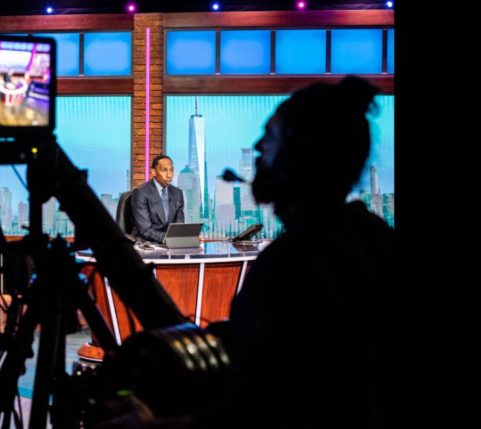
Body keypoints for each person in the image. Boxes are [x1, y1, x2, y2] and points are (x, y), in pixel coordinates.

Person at [102, 76, 395, 428]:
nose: (256, 147)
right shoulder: (374, 237)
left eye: (269, 139)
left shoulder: (291, 264)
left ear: (299, 153)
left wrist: (148, 425)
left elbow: (255, 411)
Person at [131, 155, 185, 243]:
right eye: (164, 170)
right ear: (154, 172)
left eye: (171, 170)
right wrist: (168, 239)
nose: (169, 175)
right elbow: (145, 230)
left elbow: (178, 225)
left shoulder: (177, 193)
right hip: (147, 243)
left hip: (170, 244)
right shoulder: (141, 192)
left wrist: (187, 237)